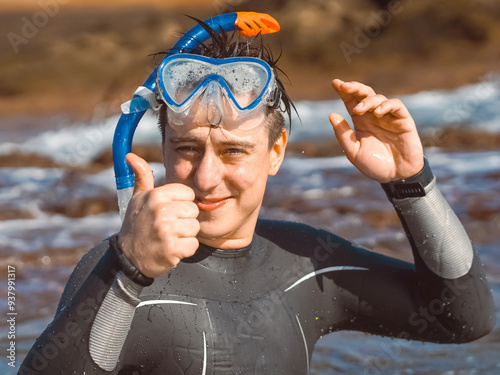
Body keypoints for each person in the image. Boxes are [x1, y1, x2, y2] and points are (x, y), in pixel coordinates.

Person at [20, 14, 495, 375]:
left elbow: (463, 320)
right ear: (161, 147)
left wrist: (410, 182)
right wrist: (128, 268)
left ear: (275, 151)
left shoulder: (304, 263)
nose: (206, 178)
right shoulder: (116, 273)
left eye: (233, 151)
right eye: (186, 149)